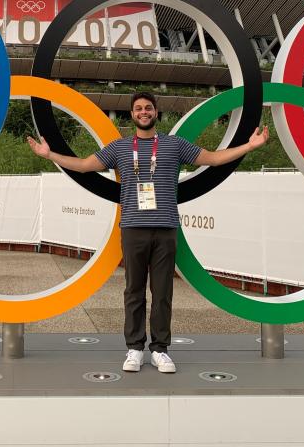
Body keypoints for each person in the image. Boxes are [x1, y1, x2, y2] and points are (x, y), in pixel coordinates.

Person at [27, 91, 268, 374]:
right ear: (132, 114)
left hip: (165, 228)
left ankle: (160, 350)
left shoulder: (174, 145)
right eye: (139, 108)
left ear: (156, 113)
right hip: (132, 228)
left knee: (163, 292)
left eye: (148, 108)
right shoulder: (119, 148)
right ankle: (134, 348)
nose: (144, 112)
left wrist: (248, 147)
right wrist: (49, 155)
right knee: (133, 291)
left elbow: (213, 159)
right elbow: (83, 165)